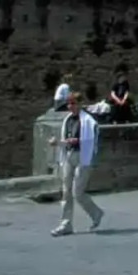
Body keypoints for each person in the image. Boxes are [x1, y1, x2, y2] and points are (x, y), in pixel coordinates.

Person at [49, 90, 103, 237]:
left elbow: (92, 140)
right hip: (68, 155)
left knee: (77, 192)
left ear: (80, 104)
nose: (70, 106)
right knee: (66, 191)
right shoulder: (68, 120)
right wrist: (60, 143)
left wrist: (77, 141)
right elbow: (66, 138)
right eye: (69, 103)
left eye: (73, 103)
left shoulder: (88, 121)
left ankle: (96, 213)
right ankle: (66, 224)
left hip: (82, 157)